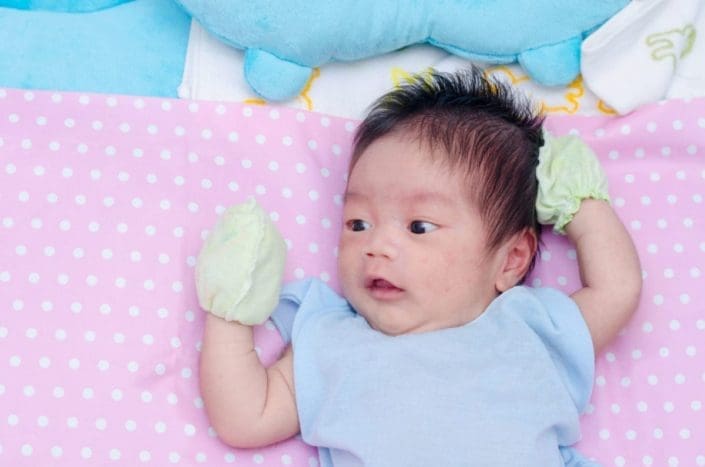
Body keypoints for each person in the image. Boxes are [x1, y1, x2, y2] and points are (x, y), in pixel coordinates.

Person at [197, 68, 642, 466]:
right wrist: (231, 306)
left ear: (511, 260)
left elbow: (616, 287)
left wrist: (579, 202)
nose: (376, 246)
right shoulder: (332, 342)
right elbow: (245, 417)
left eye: (418, 226)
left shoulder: (531, 330)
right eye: (357, 223)